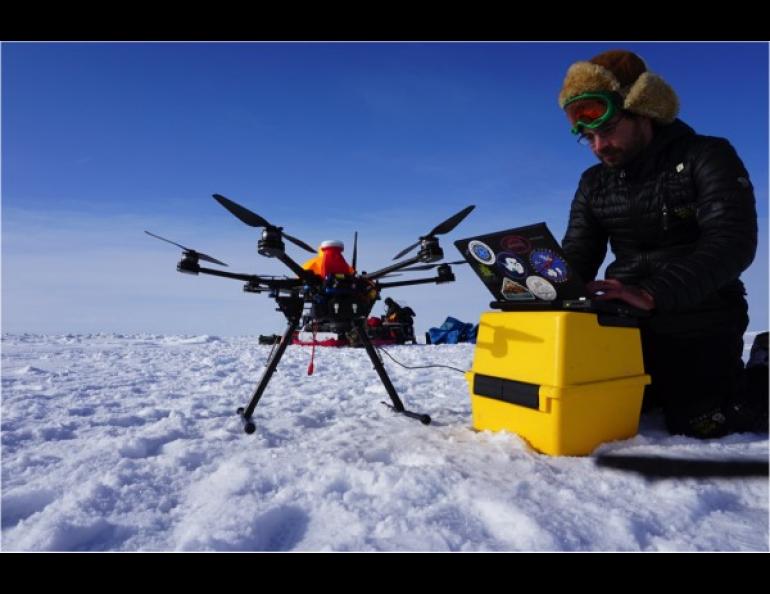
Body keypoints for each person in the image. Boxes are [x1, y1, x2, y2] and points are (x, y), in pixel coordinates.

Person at [558, 49, 767, 437]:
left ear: (645, 109)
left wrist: (653, 292)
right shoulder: (594, 183)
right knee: (607, 410)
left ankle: (763, 370)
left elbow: (733, 241)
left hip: (700, 314)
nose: (599, 146)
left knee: (699, 422)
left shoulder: (707, 155)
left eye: (607, 130)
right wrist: (545, 287)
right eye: (588, 137)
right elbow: (578, 252)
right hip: (624, 323)